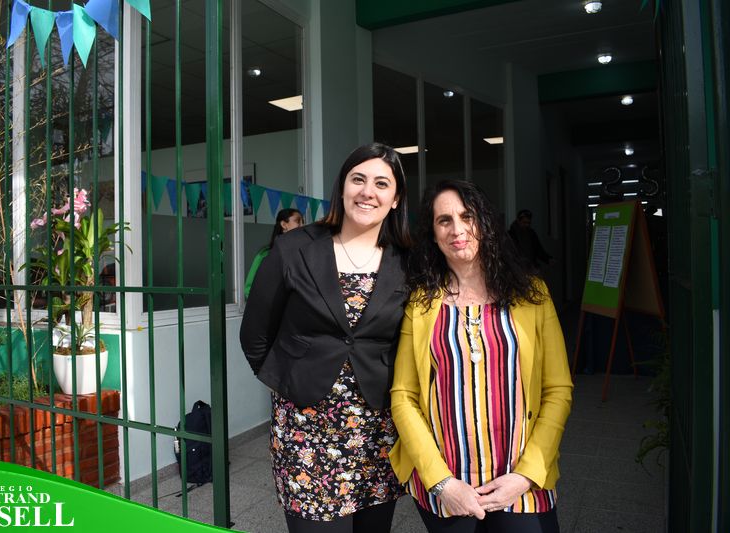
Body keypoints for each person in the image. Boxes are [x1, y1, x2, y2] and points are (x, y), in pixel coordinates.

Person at [240, 142, 412, 532]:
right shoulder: (294, 248)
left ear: (396, 198)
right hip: (305, 429)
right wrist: (288, 383)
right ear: (342, 187)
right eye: (358, 179)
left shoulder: (407, 261)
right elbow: (255, 333)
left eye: (381, 183)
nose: (368, 191)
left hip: (377, 430)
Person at [389, 180, 572, 532]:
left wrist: (526, 474)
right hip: (447, 487)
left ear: (485, 223)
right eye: (444, 220)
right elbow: (404, 396)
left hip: (521, 482)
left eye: (467, 216)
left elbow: (558, 389)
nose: (457, 229)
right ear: (433, 234)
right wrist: (441, 481)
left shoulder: (532, 295)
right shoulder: (422, 303)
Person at [244, 208, 304, 298]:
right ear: (284, 225)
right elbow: (249, 288)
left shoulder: (304, 254)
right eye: (298, 222)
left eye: (303, 222)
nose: (302, 226)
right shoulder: (266, 255)